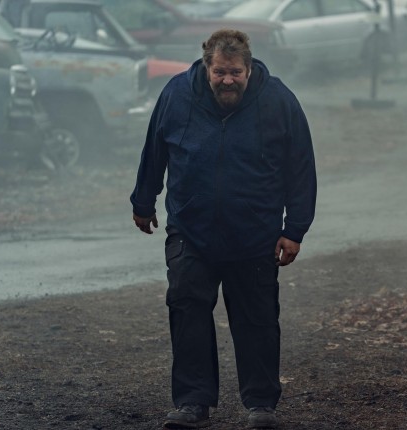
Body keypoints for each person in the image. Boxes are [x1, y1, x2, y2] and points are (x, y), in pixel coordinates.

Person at [130, 29, 317, 429]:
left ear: (249, 69)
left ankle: (261, 406)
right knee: (187, 310)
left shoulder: (279, 101)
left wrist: (295, 229)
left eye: (235, 73)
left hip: (255, 234)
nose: (227, 80)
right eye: (220, 72)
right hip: (190, 228)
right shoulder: (176, 94)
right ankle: (192, 403)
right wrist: (143, 201)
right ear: (206, 68)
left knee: (257, 319)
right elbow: (155, 149)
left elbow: (301, 167)